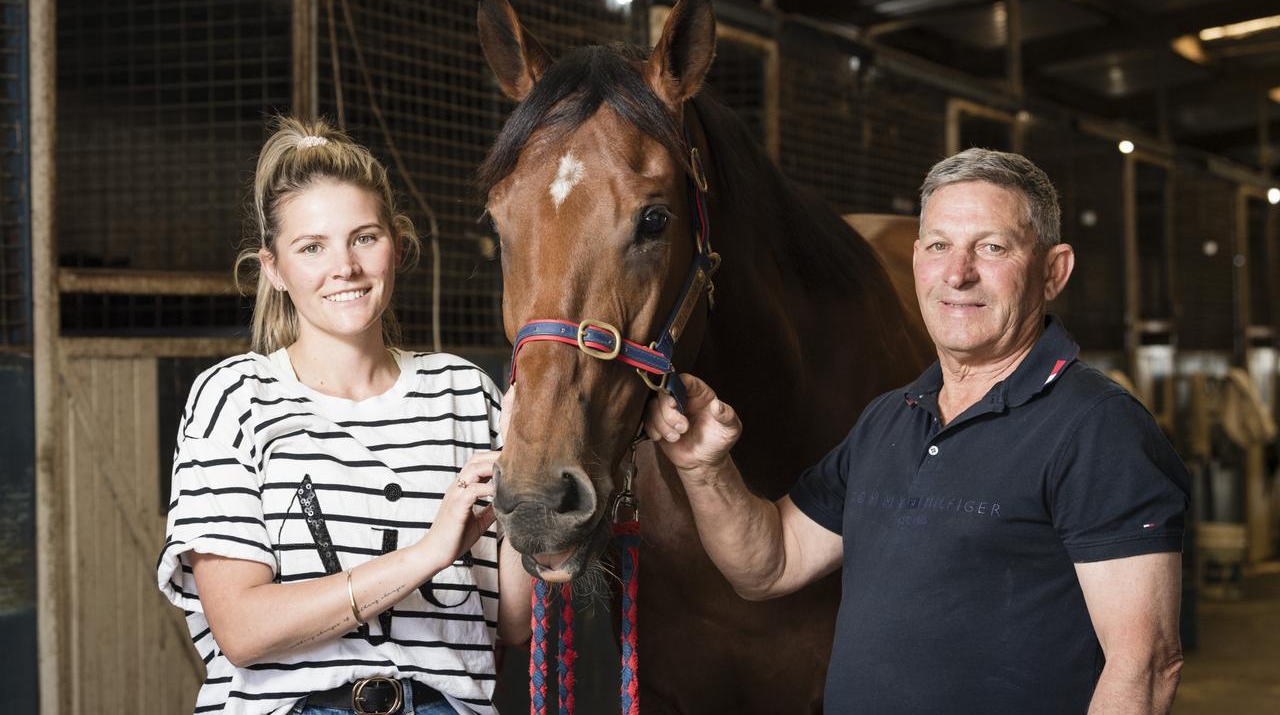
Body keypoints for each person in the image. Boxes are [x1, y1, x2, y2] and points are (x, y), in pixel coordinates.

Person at [644, 148, 1189, 714]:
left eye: (992, 246)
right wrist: (705, 467)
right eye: (938, 246)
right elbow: (770, 564)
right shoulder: (889, 418)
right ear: (916, 261)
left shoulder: (1098, 427)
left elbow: (1146, 664)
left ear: (1054, 271)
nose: (958, 273)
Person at [157, 117, 530, 715]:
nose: (346, 268)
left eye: (364, 238)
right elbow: (243, 631)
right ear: (274, 269)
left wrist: (533, 478)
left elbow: (514, 621)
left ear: (396, 246)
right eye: (312, 247)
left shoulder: (464, 392)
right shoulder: (234, 397)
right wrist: (428, 554)